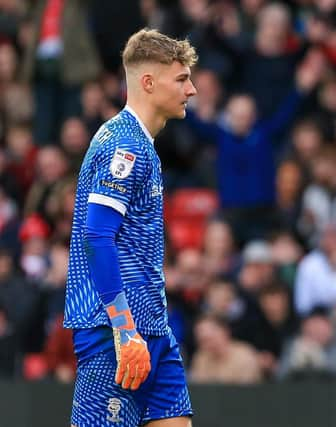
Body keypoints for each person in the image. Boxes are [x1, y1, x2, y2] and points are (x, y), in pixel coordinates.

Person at [63, 29, 197, 427]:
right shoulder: (124, 146)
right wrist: (123, 327)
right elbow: (98, 236)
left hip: (153, 327)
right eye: (181, 79)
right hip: (113, 333)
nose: (191, 89)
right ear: (148, 82)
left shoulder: (141, 143)